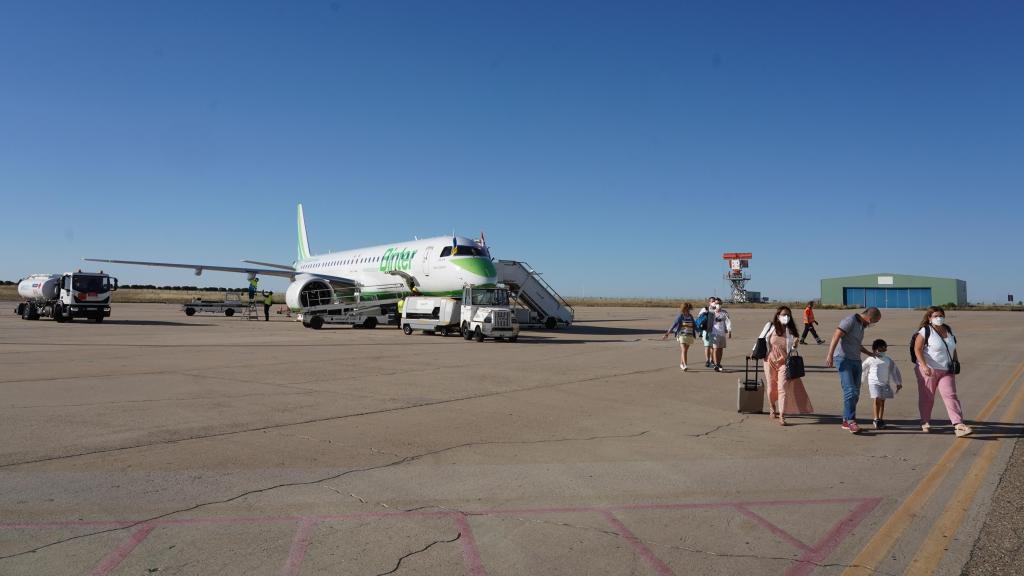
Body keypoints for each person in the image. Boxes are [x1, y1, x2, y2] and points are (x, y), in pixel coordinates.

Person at [913, 307, 972, 437]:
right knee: (927, 397)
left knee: (951, 395)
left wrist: (956, 362)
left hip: (947, 369)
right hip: (929, 370)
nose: (939, 318)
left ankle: (958, 425)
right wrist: (924, 366)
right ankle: (925, 421)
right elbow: (917, 349)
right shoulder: (925, 331)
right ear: (929, 318)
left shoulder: (948, 330)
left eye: (941, 315)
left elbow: (953, 348)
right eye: (935, 316)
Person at [825, 307, 882, 434]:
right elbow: (836, 335)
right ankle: (851, 421)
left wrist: (868, 353)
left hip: (856, 360)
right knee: (850, 390)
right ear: (870, 318)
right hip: (843, 359)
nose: (872, 324)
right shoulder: (849, 320)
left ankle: (846, 419)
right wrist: (830, 355)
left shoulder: (861, 325)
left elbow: (855, 343)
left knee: (855, 392)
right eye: (874, 322)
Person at [759, 307, 814, 425]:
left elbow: (792, 349)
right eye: (784, 315)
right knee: (771, 388)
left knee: (782, 388)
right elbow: (761, 339)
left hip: (785, 363)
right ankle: (772, 407)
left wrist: (795, 345)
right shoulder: (770, 326)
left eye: (788, 315)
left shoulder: (791, 330)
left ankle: (782, 415)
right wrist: (755, 352)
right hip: (769, 361)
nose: (786, 317)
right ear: (778, 315)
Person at [861, 339, 902, 429]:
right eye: (881, 348)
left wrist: (898, 382)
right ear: (875, 349)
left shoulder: (888, 360)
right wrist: (860, 380)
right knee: (877, 399)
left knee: (882, 402)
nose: (884, 350)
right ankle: (876, 419)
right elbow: (862, 369)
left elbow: (894, 371)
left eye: (885, 348)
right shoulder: (870, 359)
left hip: (885, 383)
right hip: (873, 383)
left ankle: (881, 419)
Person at [662, 302, 697, 371]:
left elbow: (694, 325)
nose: (688, 310)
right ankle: (685, 365)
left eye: (689, 308)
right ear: (683, 308)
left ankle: (681, 364)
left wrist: (700, 331)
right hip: (681, 335)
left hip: (689, 335)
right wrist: (667, 334)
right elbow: (674, 325)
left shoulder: (690, 316)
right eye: (687, 308)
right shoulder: (680, 316)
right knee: (684, 350)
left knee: (685, 351)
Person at [708, 297, 732, 372]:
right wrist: (712, 306)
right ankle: (716, 364)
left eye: (719, 303)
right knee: (715, 349)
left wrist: (729, 331)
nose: (718, 305)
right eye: (716, 303)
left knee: (720, 349)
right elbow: (708, 310)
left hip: (722, 333)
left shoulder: (724, 312)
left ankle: (718, 363)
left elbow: (728, 322)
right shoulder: (712, 312)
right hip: (714, 333)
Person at [697, 297, 716, 368]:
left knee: (713, 347)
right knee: (707, 346)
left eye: (714, 301)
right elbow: (699, 318)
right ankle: (707, 360)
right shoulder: (705, 309)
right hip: (706, 330)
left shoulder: (717, 310)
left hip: (715, 331)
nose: (713, 302)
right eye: (712, 301)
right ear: (709, 302)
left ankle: (712, 360)